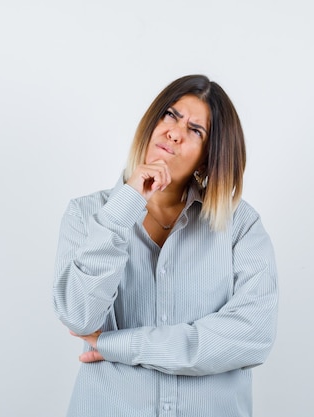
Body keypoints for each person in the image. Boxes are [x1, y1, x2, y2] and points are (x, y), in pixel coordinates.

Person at [52, 74, 278, 417]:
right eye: (171, 115)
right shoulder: (87, 215)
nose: (175, 131)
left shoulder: (240, 225)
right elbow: (80, 317)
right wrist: (126, 203)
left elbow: (251, 336)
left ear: (207, 158)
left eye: (196, 130)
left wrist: (120, 345)